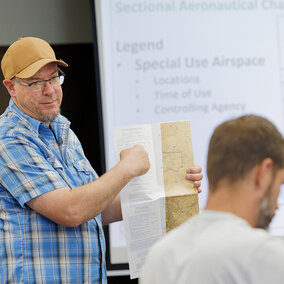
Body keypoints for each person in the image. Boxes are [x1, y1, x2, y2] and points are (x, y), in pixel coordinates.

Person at [0, 37, 203, 283]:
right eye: (35, 83)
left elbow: (98, 208)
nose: (50, 90)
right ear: (11, 87)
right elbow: (71, 210)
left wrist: (171, 187)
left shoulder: (64, 132)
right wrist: (127, 168)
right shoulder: (8, 139)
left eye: (53, 78)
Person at [140, 115, 284, 284]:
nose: (276, 205)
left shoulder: (158, 256)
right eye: (280, 184)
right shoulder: (264, 255)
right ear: (264, 173)